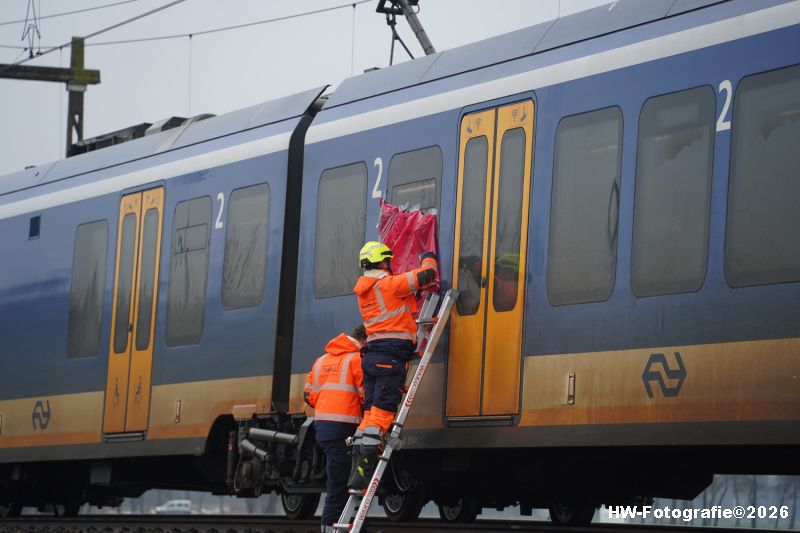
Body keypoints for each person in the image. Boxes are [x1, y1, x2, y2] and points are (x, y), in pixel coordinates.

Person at [347, 241, 438, 490]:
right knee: (383, 412)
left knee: (370, 414)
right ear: (380, 262)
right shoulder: (388, 284)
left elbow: (396, 303)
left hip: (373, 356)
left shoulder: (368, 291)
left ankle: (357, 464)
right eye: (387, 260)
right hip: (390, 356)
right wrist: (428, 256)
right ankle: (365, 467)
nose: (390, 265)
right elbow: (427, 274)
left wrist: (415, 294)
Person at [304, 325, 367, 533]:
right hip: (344, 429)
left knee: (343, 483)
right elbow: (365, 395)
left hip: (323, 428)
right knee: (340, 486)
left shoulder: (321, 361)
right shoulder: (356, 359)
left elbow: (309, 396)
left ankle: (348, 527)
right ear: (364, 341)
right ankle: (328, 528)